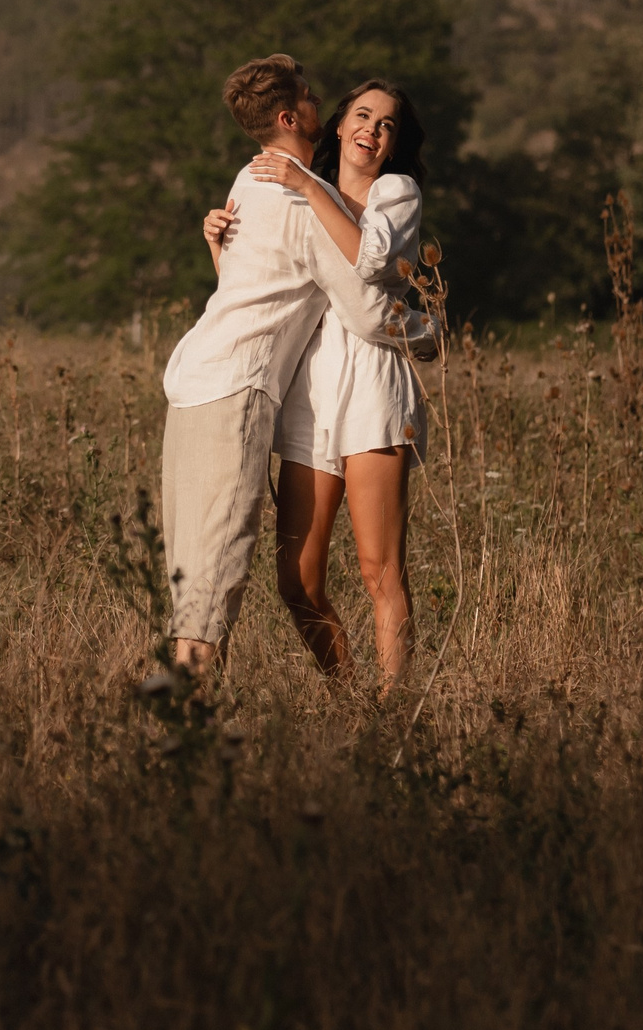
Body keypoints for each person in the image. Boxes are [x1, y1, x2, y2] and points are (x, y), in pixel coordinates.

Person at [206, 79, 435, 688]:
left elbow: (372, 265)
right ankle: (351, 694)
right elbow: (265, 292)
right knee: (297, 580)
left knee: (379, 569)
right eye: (362, 115)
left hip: (372, 389)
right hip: (311, 389)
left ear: (394, 142)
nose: (373, 129)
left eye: (387, 123)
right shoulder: (310, 190)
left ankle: (393, 715)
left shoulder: (395, 191)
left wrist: (308, 185)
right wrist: (218, 245)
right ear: (338, 126)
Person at [158, 55, 336, 675]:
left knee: (191, 581)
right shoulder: (305, 201)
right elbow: (363, 297)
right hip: (234, 389)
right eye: (310, 97)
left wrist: (215, 248)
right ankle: (184, 739)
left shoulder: (246, 180)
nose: (321, 104)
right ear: (290, 117)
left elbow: (250, 288)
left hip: (193, 382)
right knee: (212, 581)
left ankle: (181, 730)